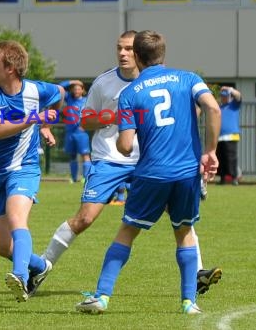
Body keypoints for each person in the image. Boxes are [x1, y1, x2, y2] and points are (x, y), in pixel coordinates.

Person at [38, 31, 221, 298]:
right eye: (119, 49)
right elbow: (85, 121)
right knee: (85, 217)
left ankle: (197, 273)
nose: (122, 54)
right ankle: (43, 265)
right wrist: (114, 117)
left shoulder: (157, 82)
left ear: (139, 53)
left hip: (149, 161)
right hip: (111, 158)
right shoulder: (104, 82)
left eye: (127, 49)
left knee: (180, 218)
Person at [0, 40, 64, 302]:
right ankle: (39, 267)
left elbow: (60, 93)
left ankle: (21, 276)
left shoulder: (36, 90)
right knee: (3, 246)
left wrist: (47, 125)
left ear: (11, 68)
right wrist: (35, 119)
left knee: (17, 218)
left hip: (24, 168)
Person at [59, 79, 91, 183]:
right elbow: (60, 87)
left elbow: (92, 113)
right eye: (74, 89)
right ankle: (73, 178)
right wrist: (73, 81)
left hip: (81, 132)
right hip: (70, 132)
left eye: (78, 89)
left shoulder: (87, 100)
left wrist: (85, 125)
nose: (76, 91)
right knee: (72, 155)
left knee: (85, 155)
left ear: (82, 90)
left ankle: (86, 178)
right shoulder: (69, 99)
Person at [217, 86, 242, 185]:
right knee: (221, 158)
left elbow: (239, 96)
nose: (224, 98)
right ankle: (222, 178)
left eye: (226, 96)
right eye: (222, 96)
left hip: (231, 136)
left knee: (231, 158)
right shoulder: (219, 107)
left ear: (229, 97)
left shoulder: (234, 105)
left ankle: (234, 177)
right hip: (220, 136)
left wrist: (229, 89)